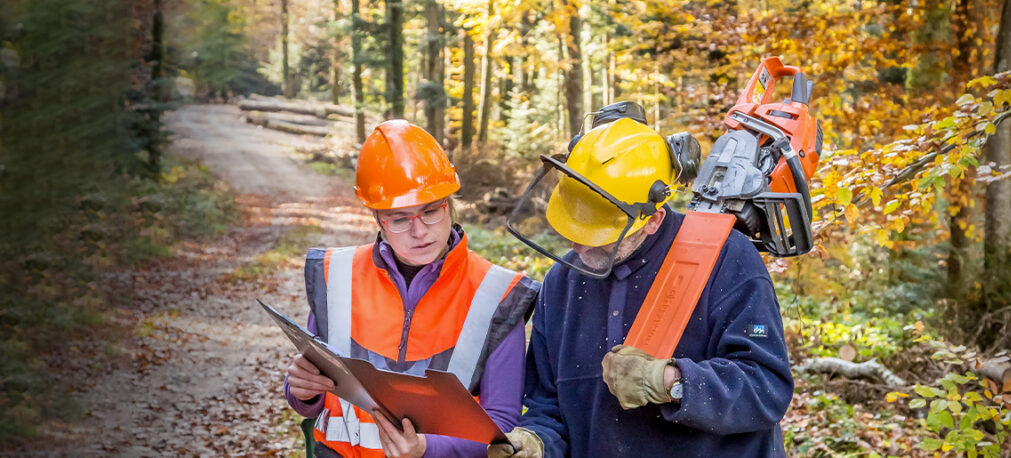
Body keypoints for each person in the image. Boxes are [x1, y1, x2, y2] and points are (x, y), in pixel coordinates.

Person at [489, 109, 794, 458]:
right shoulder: (562, 284)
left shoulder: (724, 259)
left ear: (653, 219)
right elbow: (549, 404)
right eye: (575, 226)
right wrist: (538, 442)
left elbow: (766, 387)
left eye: (596, 231)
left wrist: (671, 382)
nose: (578, 244)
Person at [285, 120, 539, 458]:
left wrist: (426, 449)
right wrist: (302, 391)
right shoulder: (338, 276)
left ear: (449, 204)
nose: (419, 232)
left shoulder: (498, 295)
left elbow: (502, 426)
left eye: (430, 211)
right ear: (378, 218)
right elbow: (314, 399)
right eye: (400, 219)